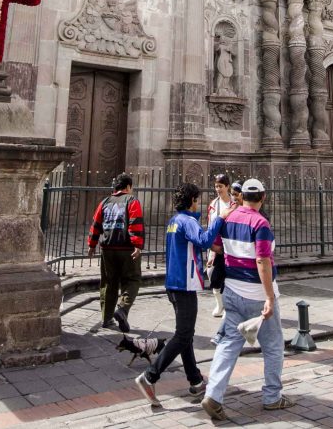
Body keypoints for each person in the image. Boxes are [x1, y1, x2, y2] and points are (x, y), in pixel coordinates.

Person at [201, 178, 292, 420]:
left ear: (243, 196)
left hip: (232, 290)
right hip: (256, 293)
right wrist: (270, 298)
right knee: (273, 346)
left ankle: (213, 395)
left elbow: (216, 246)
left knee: (228, 343)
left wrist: (235, 254)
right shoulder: (260, 223)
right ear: (263, 197)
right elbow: (262, 261)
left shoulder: (229, 218)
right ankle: (272, 397)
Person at [135, 182, 231, 409]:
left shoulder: (173, 221)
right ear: (191, 201)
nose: (199, 204)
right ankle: (150, 376)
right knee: (183, 334)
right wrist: (220, 218)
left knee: (185, 332)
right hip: (184, 285)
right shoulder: (188, 221)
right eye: (197, 200)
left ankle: (195, 380)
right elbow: (205, 241)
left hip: (174, 283)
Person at [85, 172, 144, 332]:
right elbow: (135, 223)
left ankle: (106, 318)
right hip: (126, 248)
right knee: (132, 279)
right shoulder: (132, 201)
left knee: (108, 282)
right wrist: (137, 244)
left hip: (107, 248)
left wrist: (92, 244)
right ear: (128, 187)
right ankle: (122, 309)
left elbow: (96, 223)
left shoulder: (105, 202)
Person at [206, 173, 235, 319]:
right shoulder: (213, 204)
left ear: (227, 186)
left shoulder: (234, 204)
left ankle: (228, 307)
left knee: (229, 276)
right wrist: (210, 244)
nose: (218, 189)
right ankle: (220, 304)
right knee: (212, 274)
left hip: (230, 246)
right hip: (216, 246)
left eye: (220, 186)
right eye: (216, 186)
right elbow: (210, 225)